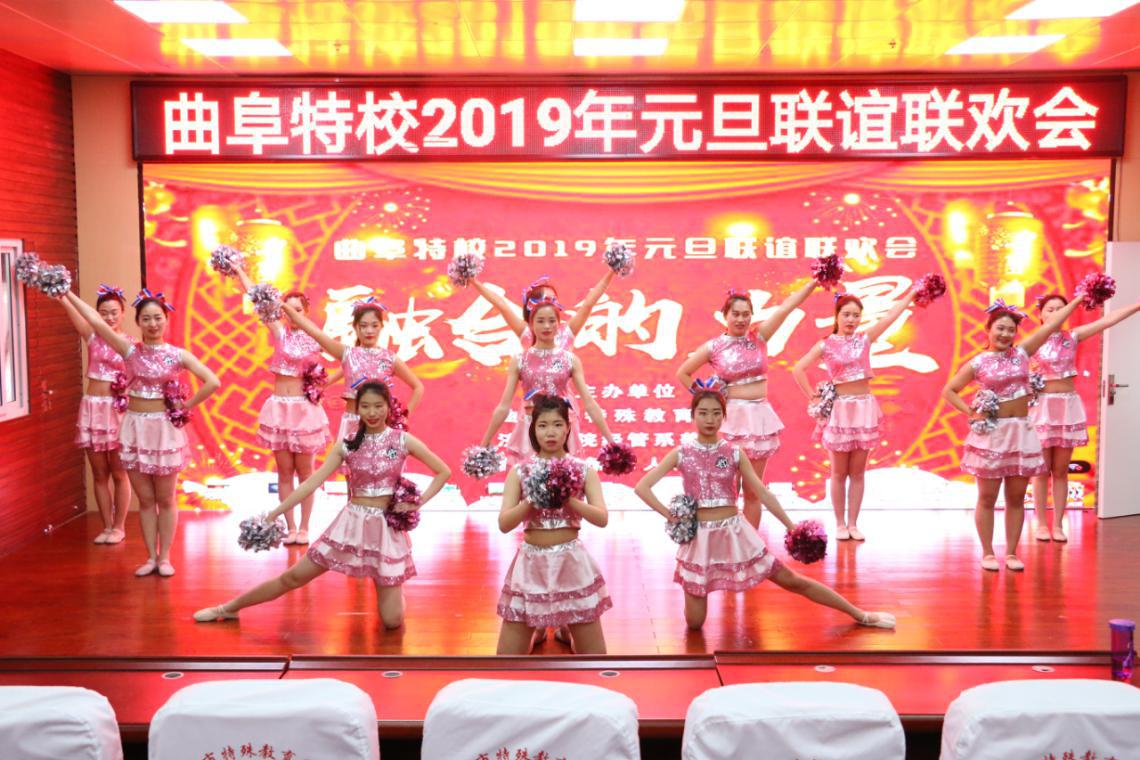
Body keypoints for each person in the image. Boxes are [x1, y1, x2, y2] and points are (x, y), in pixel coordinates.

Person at [635, 386, 896, 631]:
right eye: (703, 413)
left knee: (792, 580)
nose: (710, 419)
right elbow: (642, 487)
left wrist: (791, 526)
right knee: (694, 623)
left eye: (716, 413)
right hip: (699, 540)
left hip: (735, 533)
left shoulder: (734, 452)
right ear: (693, 416)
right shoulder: (681, 453)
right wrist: (672, 517)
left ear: (724, 417)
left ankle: (861, 614)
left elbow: (762, 492)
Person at [194, 381, 450, 629]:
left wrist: (415, 504)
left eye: (378, 406)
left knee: (392, 622)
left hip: (385, 529)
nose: (372, 413)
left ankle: (393, 591)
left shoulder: (402, 440)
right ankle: (226, 609)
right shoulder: (347, 444)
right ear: (357, 408)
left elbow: (443, 471)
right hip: (350, 525)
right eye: (365, 406)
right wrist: (274, 513)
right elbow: (309, 484)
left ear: (388, 406)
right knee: (293, 577)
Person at [65, 288, 220, 577]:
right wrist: (67, 294)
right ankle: (150, 557)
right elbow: (94, 321)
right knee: (146, 500)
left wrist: (185, 406)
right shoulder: (129, 350)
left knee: (166, 498)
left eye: (158, 318)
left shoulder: (177, 355)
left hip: (163, 430)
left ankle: (165, 558)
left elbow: (212, 381)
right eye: (146, 318)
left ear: (166, 320)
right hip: (134, 427)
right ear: (137, 322)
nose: (152, 323)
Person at [942, 297, 1082, 571]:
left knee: (1016, 497)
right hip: (993, 435)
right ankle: (987, 552)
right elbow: (949, 391)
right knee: (987, 498)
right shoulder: (978, 362)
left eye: (1010, 330)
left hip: (1021, 432)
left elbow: (1052, 323)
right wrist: (972, 412)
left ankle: (1012, 553)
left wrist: (1078, 299)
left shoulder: (1023, 352)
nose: (1005, 334)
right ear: (988, 330)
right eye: (1000, 328)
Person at [676, 281, 821, 528]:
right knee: (728, 487)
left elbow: (786, 307)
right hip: (731, 421)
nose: (741, 319)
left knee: (754, 489)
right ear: (725, 316)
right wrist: (707, 397)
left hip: (759, 419)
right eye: (736, 314)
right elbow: (683, 373)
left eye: (746, 314)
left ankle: (749, 540)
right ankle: (727, 536)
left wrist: (814, 283)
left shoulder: (759, 337)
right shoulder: (714, 347)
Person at [791, 287, 924, 541]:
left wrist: (910, 296)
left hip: (864, 407)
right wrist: (812, 396)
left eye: (855, 315)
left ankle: (853, 524)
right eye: (846, 314)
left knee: (858, 472)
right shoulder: (826, 344)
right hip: (841, 409)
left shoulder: (864, 339)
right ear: (837, 316)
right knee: (838, 472)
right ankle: (840, 524)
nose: (851, 319)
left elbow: (891, 317)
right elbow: (798, 369)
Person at [496, 395, 611, 654]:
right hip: (531, 564)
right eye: (543, 425)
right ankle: (547, 632)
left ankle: (564, 631)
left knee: (595, 658)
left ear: (568, 428)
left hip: (571, 562)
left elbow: (602, 518)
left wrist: (569, 500)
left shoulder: (583, 470)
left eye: (558, 425)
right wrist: (532, 500)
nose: (550, 432)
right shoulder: (520, 471)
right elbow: (504, 523)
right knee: (506, 659)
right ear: (533, 429)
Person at [1030, 295, 1140, 542]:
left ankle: (1058, 524)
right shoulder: (1033, 340)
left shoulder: (1073, 336)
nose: (1056, 313)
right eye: (1050, 309)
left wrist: (1137, 305)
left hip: (1067, 406)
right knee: (1041, 470)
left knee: (1060, 470)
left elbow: (1108, 320)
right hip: (1041, 408)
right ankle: (1041, 523)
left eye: (1060, 308)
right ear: (1040, 314)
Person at [234, 270, 331, 545]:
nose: (293, 315)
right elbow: (257, 299)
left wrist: (323, 387)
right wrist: (239, 270)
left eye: (298, 310)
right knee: (285, 471)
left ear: (307, 311)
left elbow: (344, 357)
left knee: (306, 472)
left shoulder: (317, 338)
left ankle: (305, 527)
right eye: (288, 310)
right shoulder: (280, 333)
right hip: (279, 409)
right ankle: (290, 528)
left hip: (304, 411)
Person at [478, 295, 616, 463]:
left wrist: (612, 443)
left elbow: (590, 403)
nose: (547, 326)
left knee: (566, 476)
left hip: (561, 427)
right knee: (527, 476)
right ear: (531, 325)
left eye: (552, 321)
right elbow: (503, 406)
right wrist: (484, 445)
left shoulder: (570, 360)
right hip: (529, 427)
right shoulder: (520, 360)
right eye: (541, 321)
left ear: (559, 324)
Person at [53, 284, 133, 545]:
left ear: (123, 313)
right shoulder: (92, 336)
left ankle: (119, 526)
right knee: (99, 474)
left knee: (119, 473)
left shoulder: (130, 344)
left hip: (117, 410)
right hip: (92, 408)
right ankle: (107, 526)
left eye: (114, 312)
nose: (109, 317)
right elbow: (75, 314)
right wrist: (61, 295)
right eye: (103, 313)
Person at [281, 296, 423, 440]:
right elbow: (315, 332)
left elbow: (418, 387)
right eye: (364, 326)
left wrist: (402, 418)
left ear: (381, 326)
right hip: (352, 425)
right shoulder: (347, 354)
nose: (369, 331)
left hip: (380, 428)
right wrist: (283, 306)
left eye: (374, 326)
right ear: (355, 327)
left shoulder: (390, 358)